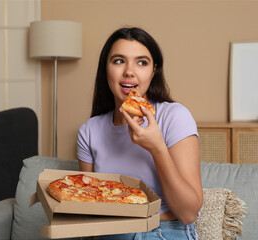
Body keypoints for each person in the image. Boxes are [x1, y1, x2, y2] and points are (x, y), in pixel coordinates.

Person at [77, 27, 203, 240]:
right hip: (109, 233)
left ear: (153, 71)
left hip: (164, 231)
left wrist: (157, 147)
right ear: (105, 69)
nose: (129, 71)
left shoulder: (174, 116)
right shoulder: (89, 131)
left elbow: (188, 213)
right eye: (118, 61)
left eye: (142, 62)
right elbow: (89, 209)